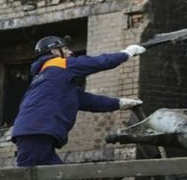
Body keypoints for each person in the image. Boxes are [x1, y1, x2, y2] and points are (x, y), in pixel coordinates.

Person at [12, 36, 146, 167]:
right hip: (36, 131)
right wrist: (126, 53)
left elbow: (89, 101)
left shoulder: (52, 80)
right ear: (54, 52)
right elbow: (97, 62)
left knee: (54, 173)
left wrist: (119, 103)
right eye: (65, 48)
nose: (70, 52)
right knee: (37, 175)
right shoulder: (57, 64)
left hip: (34, 132)